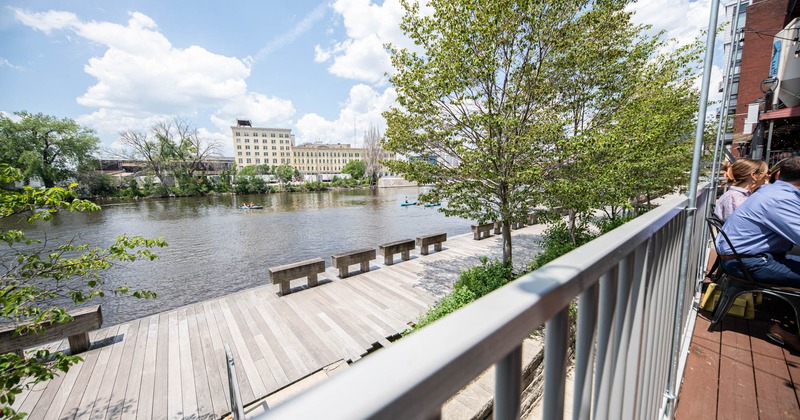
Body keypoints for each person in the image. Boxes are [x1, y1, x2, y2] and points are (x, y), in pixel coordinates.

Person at [717, 156, 800, 286]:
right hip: (749, 262)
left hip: (746, 257)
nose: (767, 175)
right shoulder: (780, 199)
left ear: (778, 174)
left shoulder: (770, 191)